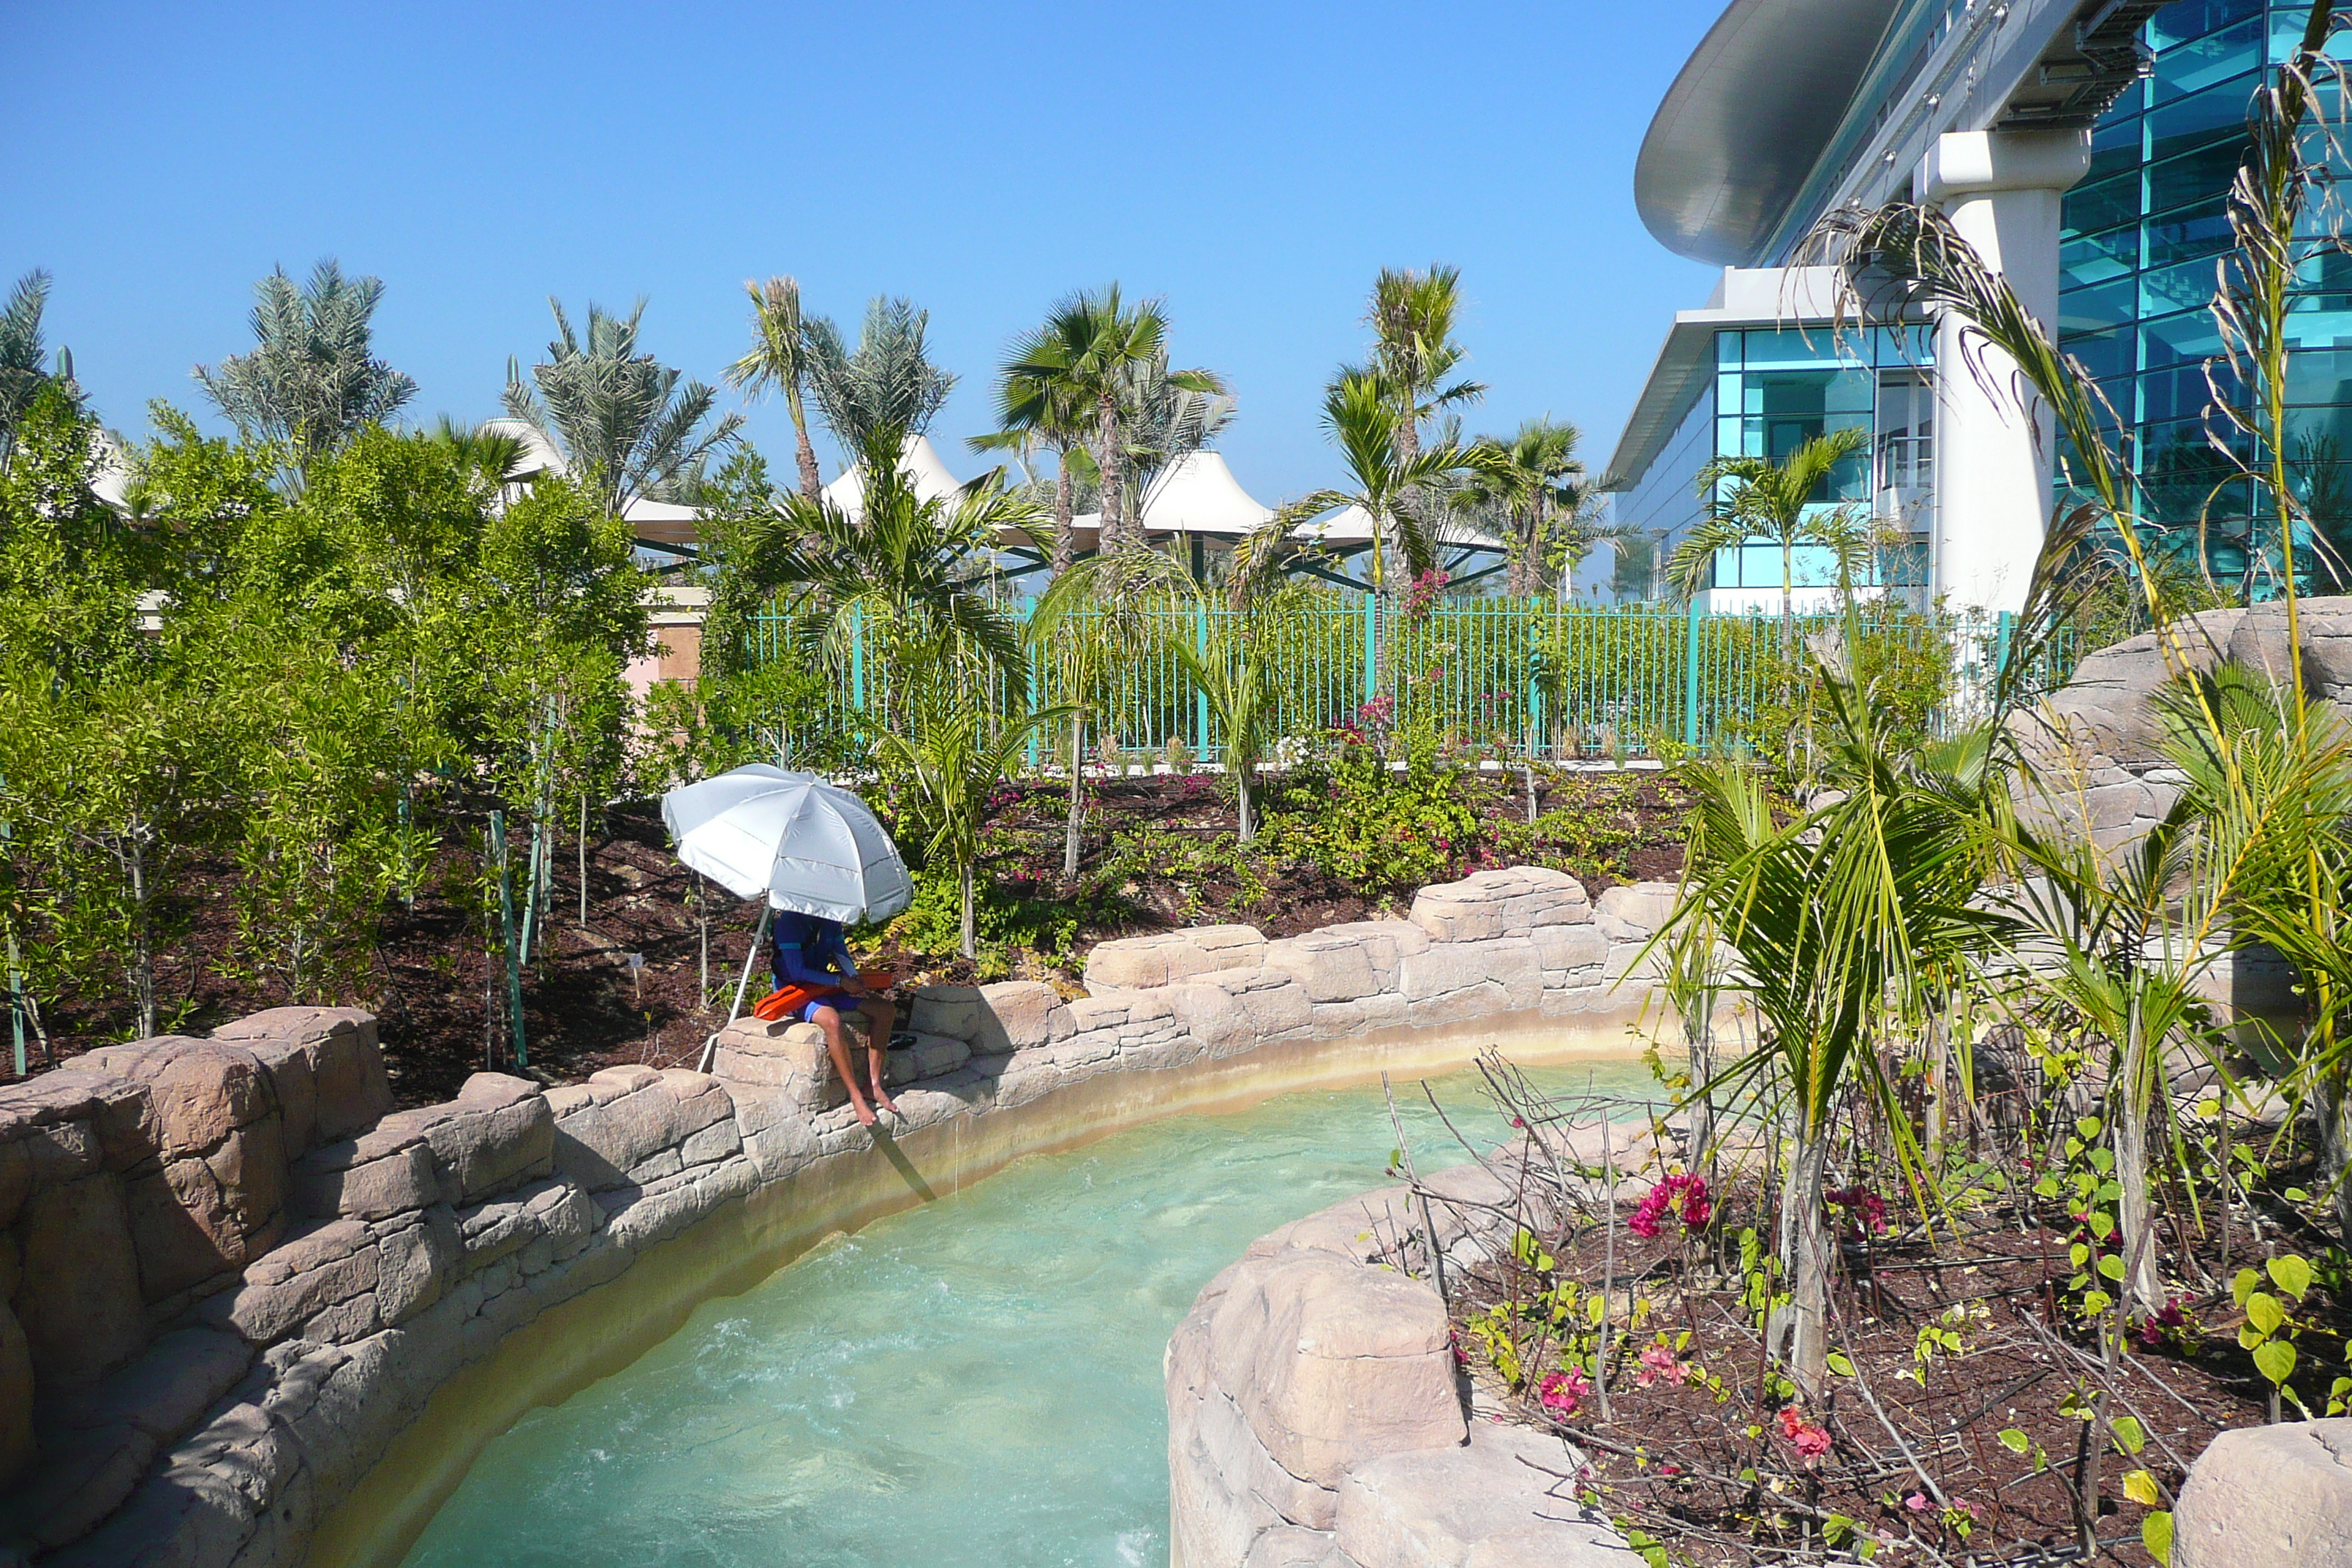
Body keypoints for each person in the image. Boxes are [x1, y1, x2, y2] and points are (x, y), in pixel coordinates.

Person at [770, 908, 898, 1126]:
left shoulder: (831, 921)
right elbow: (796, 971)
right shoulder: (788, 923)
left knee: (885, 1010)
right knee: (832, 1021)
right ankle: (855, 1096)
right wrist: (839, 982)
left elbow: (841, 954)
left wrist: (853, 978)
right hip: (794, 991)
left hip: (825, 986)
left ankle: (873, 1085)